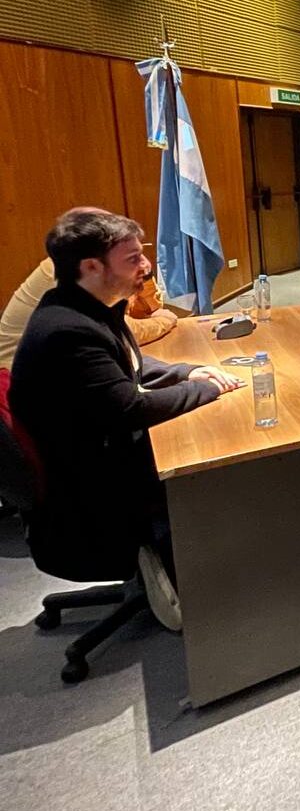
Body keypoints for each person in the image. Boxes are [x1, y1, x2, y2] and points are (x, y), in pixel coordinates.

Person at [9, 210, 244, 627]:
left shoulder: (82, 307)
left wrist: (187, 372)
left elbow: (127, 365)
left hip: (95, 455)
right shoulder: (66, 330)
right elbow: (129, 408)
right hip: (88, 488)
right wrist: (209, 389)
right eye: (132, 258)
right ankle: (219, 595)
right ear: (91, 267)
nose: (146, 266)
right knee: (218, 458)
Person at [1, 244, 176, 371]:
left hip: (64, 365)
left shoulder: (105, 264)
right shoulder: (73, 271)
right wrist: (165, 321)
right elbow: (123, 333)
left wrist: (146, 276)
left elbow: (147, 310)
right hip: (22, 379)